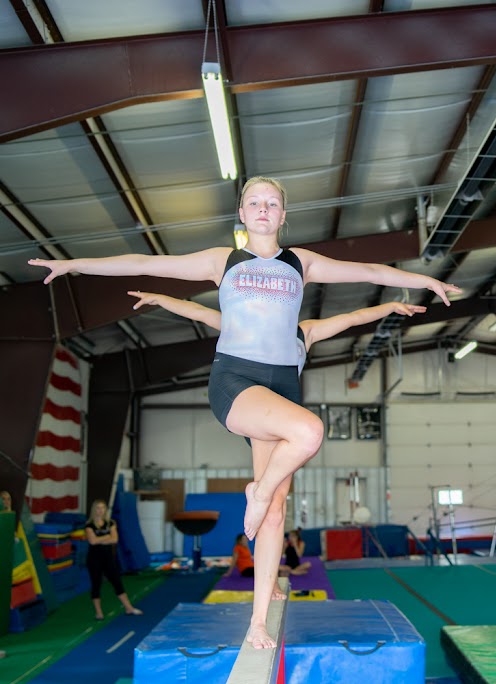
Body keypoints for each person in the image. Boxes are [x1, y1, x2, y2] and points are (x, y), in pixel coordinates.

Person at [30, 175, 460, 649]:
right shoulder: (224, 261)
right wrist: (73, 265)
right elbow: (146, 263)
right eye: (254, 202)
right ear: (241, 213)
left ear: (283, 215)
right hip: (235, 379)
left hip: (280, 393)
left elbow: (369, 273)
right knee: (309, 433)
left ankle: (258, 621)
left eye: (272, 203)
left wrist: (422, 282)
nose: (263, 209)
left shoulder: (302, 264)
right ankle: (257, 491)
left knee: (276, 513)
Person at [125, 291, 426, 377]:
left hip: (284, 399)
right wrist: (162, 299)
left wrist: (391, 307)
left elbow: (353, 318)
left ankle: (266, 496)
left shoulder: (306, 332)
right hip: (253, 397)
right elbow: (199, 312)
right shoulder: (245, 326)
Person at [85, 499, 143, 620]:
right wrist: (106, 536)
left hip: (108, 558)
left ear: (105, 510)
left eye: (103, 508)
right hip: (94, 559)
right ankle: (99, 612)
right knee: (96, 584)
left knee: (117, 582)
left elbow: (115, 539)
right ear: (94, 510)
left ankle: (129, 608)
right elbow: (92, 541)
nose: (100, 510)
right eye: (98, 508)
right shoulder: (89, 525)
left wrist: (100, 538)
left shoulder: (111, 523)